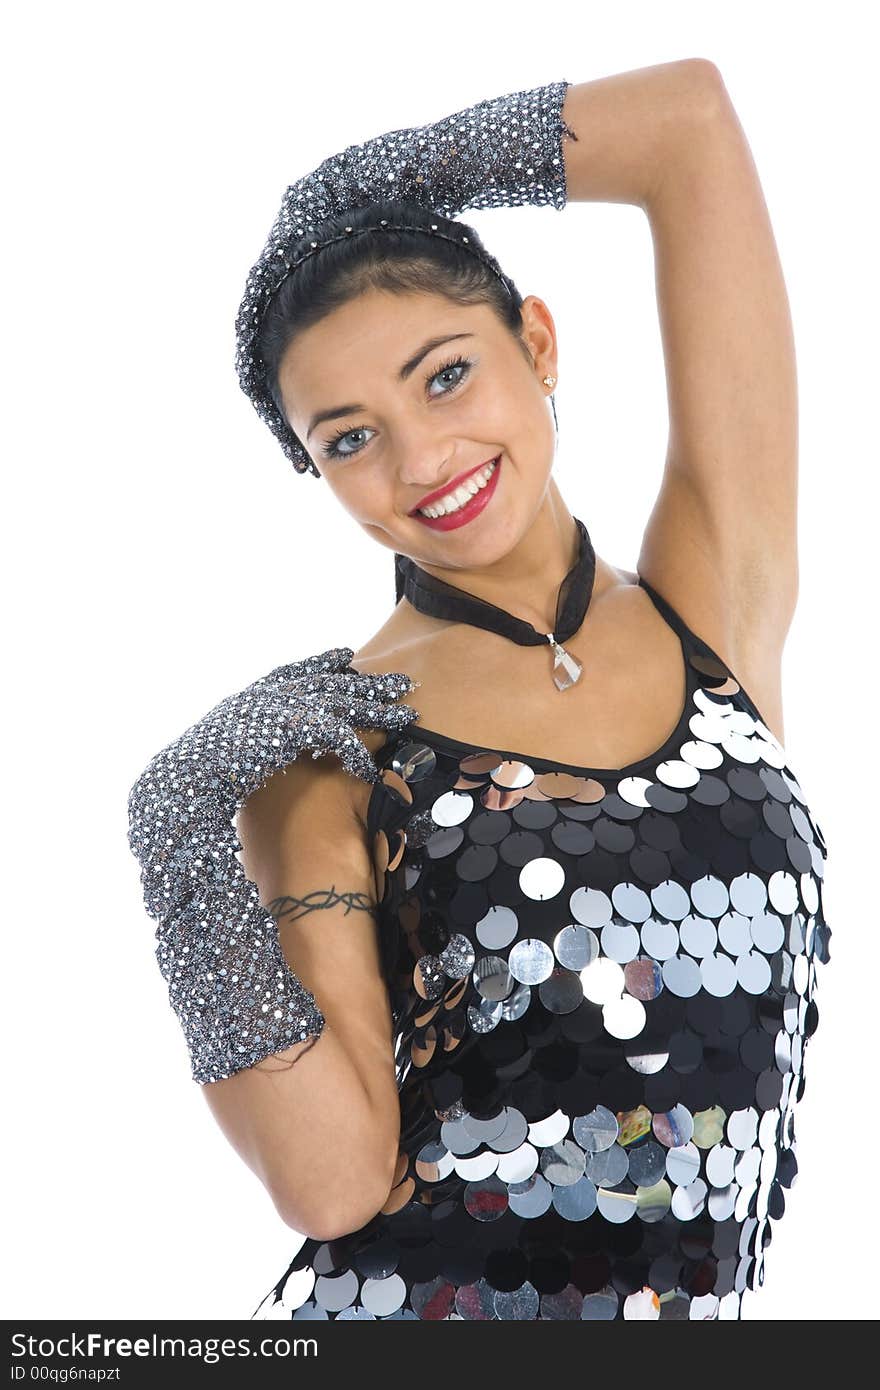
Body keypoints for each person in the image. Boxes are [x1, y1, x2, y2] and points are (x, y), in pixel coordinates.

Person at [127, 62, 831, 1322]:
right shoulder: (333, 749)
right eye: (348, 437)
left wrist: (392, 180)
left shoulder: (707, 604)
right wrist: (176, 831)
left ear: (537, 342)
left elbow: (689, 127)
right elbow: (334, 1186)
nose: (421, 460)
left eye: (444, 374)